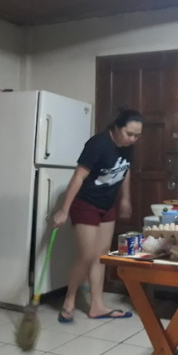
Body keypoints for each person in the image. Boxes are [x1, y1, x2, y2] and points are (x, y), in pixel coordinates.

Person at [52, 108, 143, 323]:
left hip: (106, 206)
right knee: (86, 256)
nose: (132, 139)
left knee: (101, 255)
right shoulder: (98, 144)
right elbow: (78, 176)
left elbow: (125, 170)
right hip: (85, 204)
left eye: (137, 135)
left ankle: (97, 306)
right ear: (117, 128)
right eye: (129, 133)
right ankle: (69, 300)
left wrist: (126, 198)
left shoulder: (128, 147)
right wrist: (64, 210)